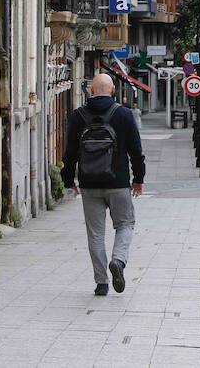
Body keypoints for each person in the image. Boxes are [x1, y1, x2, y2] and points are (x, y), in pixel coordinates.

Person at [62, 72, 146, 296]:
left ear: (91, 91)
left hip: (89, 183)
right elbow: (136, 151)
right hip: (118, 181)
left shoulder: (78, 116)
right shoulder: (124, 114)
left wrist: (69, 180)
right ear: (112, 91)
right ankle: (118, 260)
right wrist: (138, 179)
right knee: (125, 224)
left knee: (96, 234)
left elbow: (69, 152)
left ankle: (101, 282)